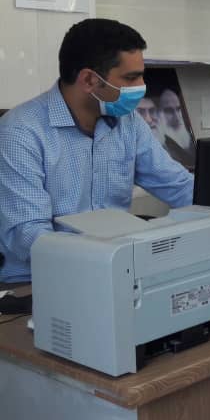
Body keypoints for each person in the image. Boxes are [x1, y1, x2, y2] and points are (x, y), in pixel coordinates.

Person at [0, 19, 195, 283]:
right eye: (130, 78)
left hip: (115, 270)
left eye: (141, 75)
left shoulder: (128, 123)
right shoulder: (20, 132)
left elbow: (179, 185)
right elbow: (29, 236)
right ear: (90, 80)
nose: (142, 86)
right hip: (38, 282)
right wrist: (106, 263)